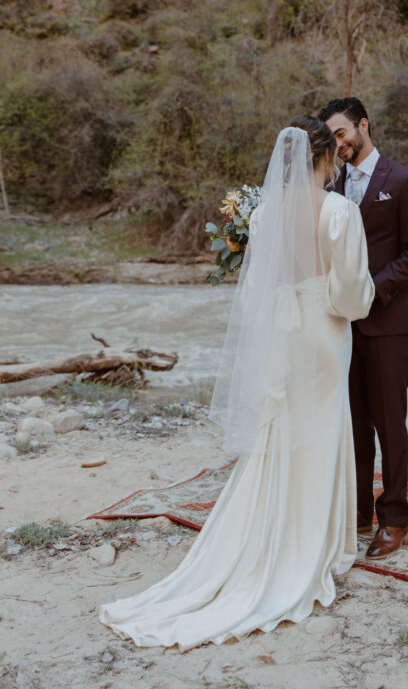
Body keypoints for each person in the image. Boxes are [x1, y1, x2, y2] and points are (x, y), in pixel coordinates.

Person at [99, 118, 375, 650]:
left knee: (282, 430)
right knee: (323, 430)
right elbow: (351, 295)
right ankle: (318, 548)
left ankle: (270, 535)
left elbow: (255, 290)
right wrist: (337, 305)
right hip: (322, 333)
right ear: (326, 159)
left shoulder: (267, 212)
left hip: (279, 332)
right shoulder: (340, 211)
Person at [319, 97, 408, 559]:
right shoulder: (331, 185)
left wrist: (370, 289)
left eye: (343, 133)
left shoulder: (404, 181)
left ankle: (394, 517)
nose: (339, 143)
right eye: (332, 137)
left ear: (363, 126)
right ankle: (359, 510)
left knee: (389, 423)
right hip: (341, 325)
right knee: (354, 422)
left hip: (387, 321)